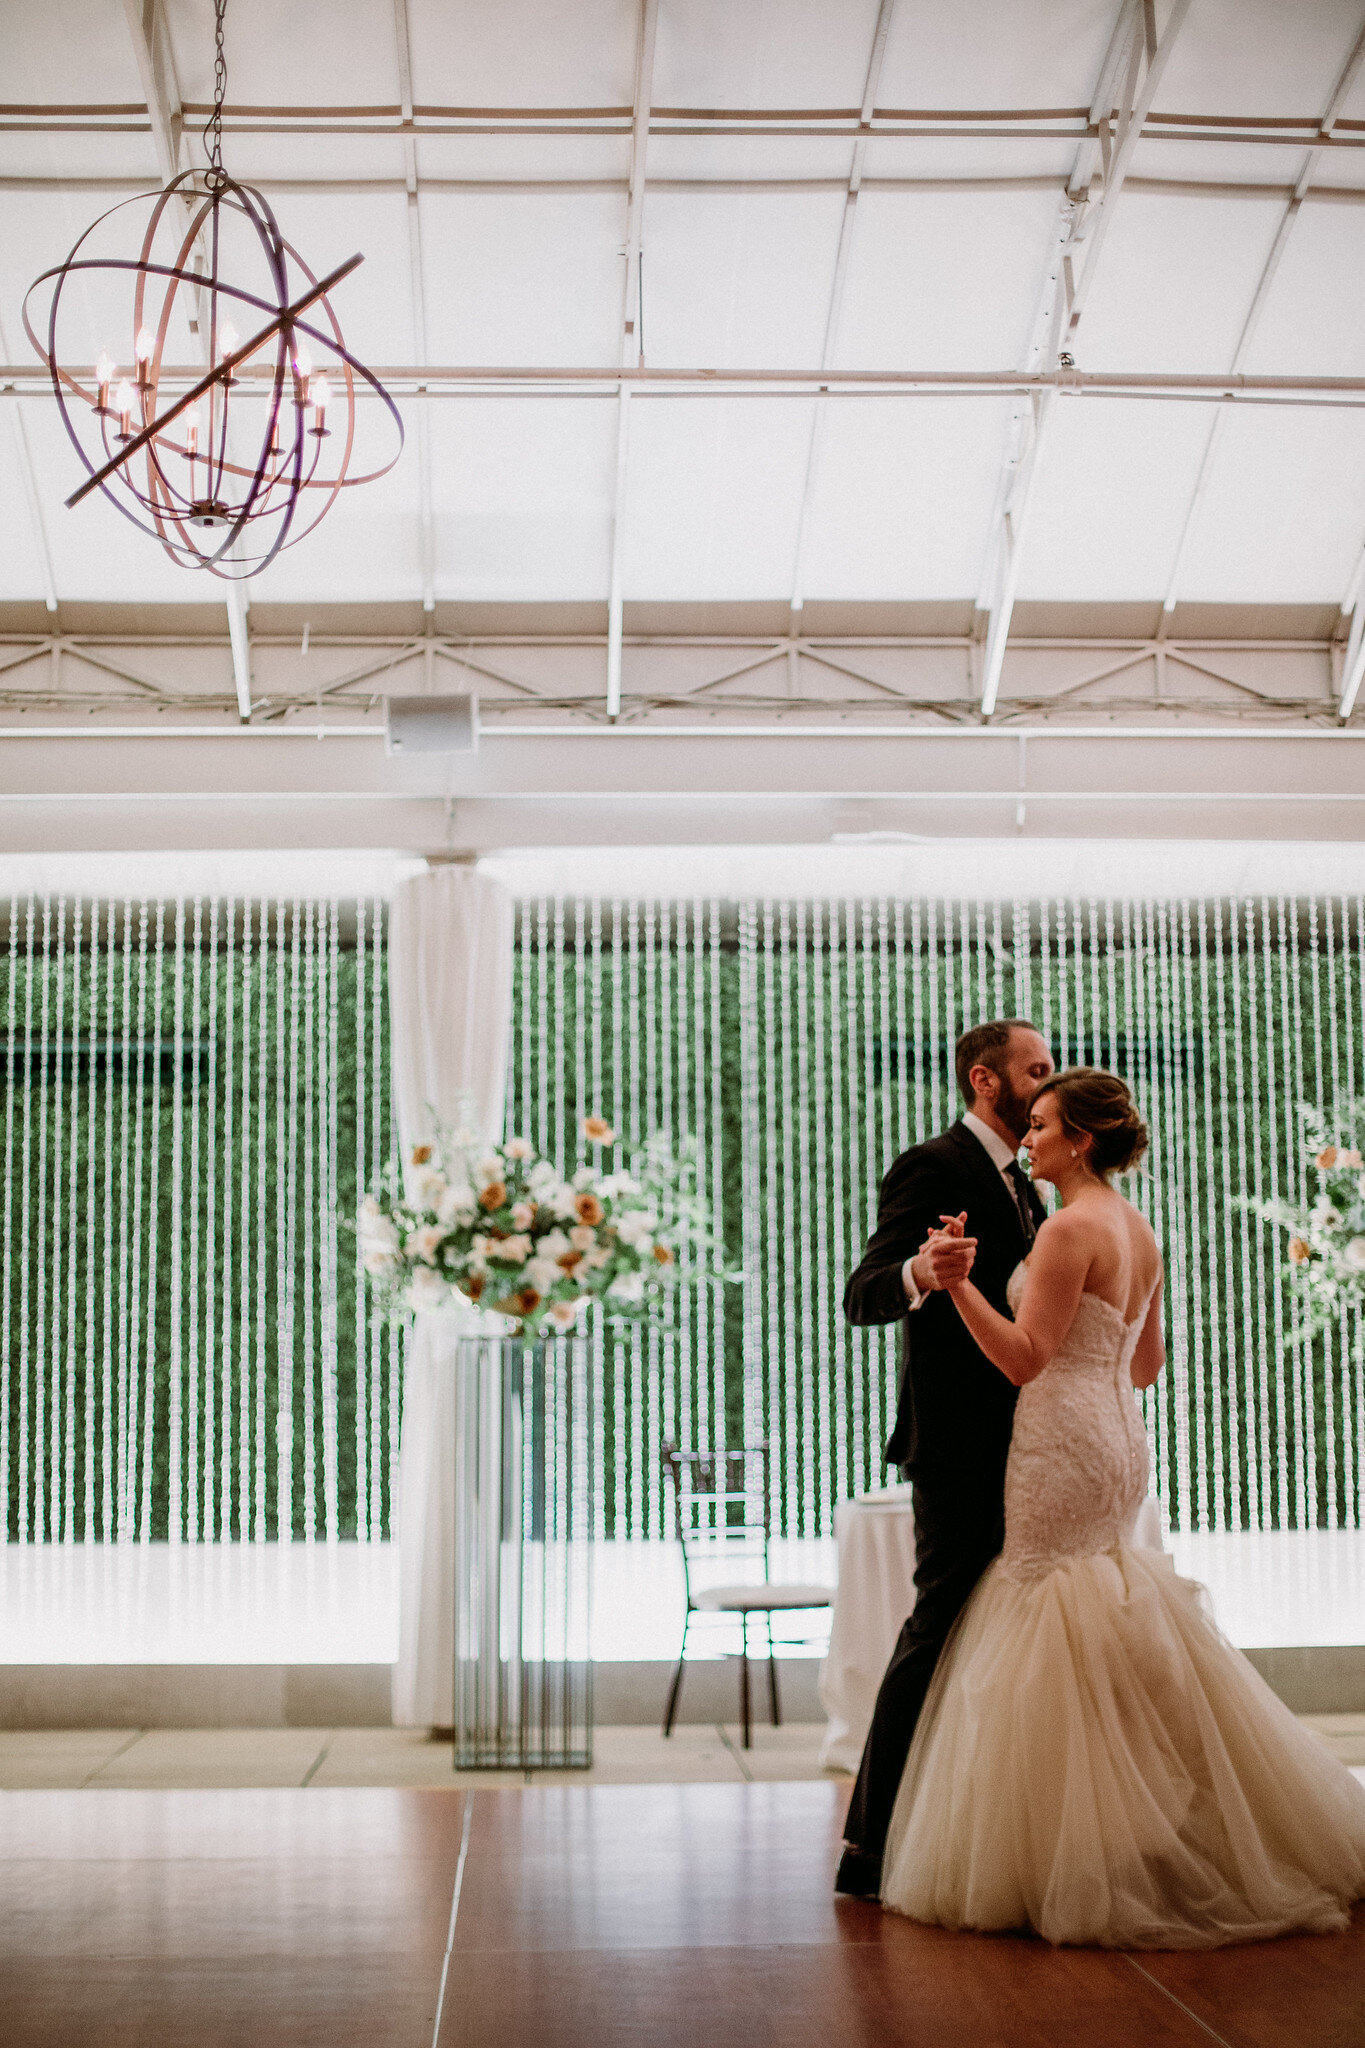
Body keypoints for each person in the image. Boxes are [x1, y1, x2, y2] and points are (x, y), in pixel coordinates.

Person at [878, 1067, 1365, 1947]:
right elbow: (1144, 1365)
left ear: (1081, 1141)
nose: (1027, 1140)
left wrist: (957, 1289)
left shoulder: (1067, 1228)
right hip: (1117, 1437)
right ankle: (1155, 1829)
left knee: (1044, 1609)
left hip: (1059, 1442)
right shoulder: (1136, 1228)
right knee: (1101, 1603)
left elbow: (1026, 1359)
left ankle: (1068, 1852)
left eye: (1040, 1125)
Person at [835, 1017, 1054, 1899]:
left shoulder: (1034, 1186)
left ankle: (997, 1831)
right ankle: (871, 1844)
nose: (1052, 1080)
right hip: (960, 1450)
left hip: (1037, 1447)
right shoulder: (934, 1165)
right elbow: (861, 1295)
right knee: (934, 1632)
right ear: (985, 1080)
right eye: (1037, 1068)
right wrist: (923, 1273)